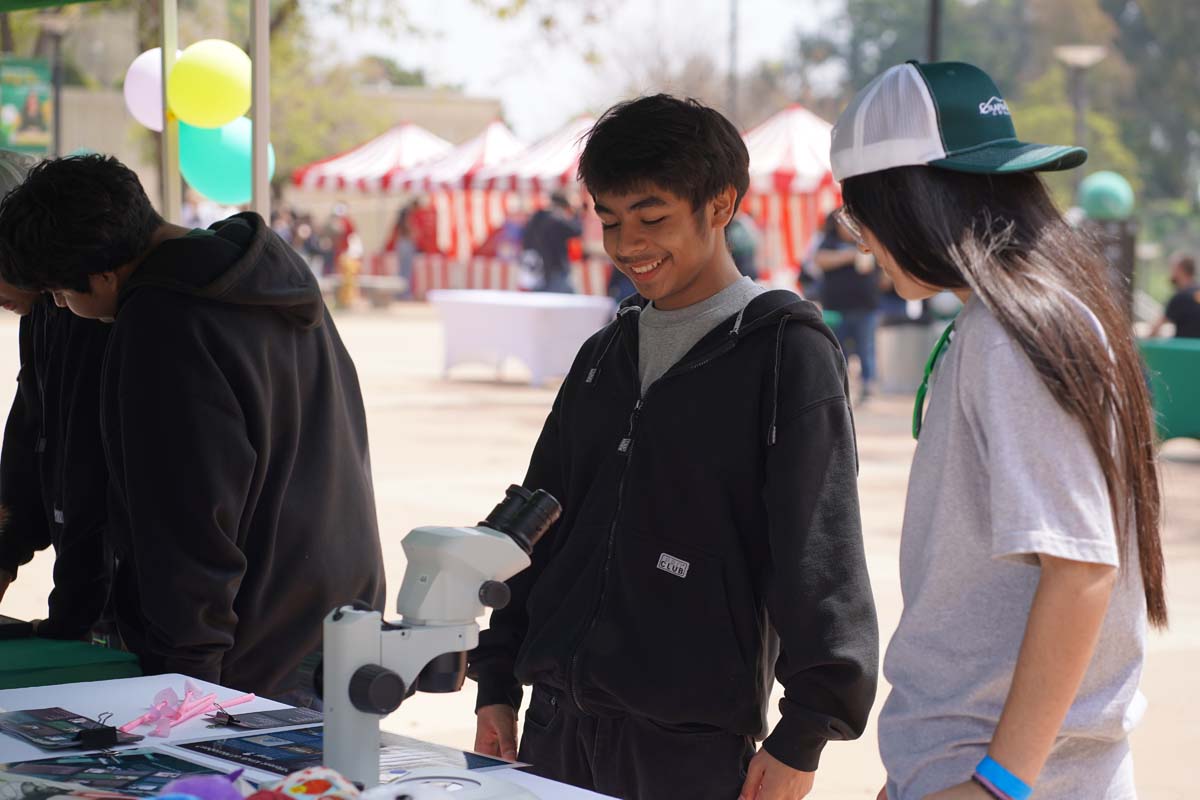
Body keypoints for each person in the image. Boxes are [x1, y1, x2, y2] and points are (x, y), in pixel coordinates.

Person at [469, 95, 878, 800]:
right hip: (555, 728)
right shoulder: (605, 353)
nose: (629, 244)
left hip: (690, 749)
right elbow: (537, 517)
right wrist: (496, 680)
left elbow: (819, 548)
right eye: (609, 219)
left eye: (652, 217)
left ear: (720, 205)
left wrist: (805, 731)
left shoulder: (787, 352)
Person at [830, 61, 1167, 799]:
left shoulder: (1006, 336)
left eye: (858, 219)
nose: (863, 245)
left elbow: (1080, 570)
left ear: (907, 201)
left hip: (998, 771)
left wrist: (997, 784)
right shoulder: (1024, 317)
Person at [0, 155, 386, 703]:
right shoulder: (262, 277)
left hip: (241, 651)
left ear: (102, 274)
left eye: (61, 297)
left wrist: (187, 672)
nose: (62, 308)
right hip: (334, 615)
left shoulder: (162, 321)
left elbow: (187, 513)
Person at [0, 150, 111, 642]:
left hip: (142, 618)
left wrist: (73, 618)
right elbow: (30, 440)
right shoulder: (42, 314)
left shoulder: (96, 313)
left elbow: (94, 477)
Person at [814, 211, 881, 402]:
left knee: (865, 349)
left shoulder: (866, 242)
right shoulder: (828, 242)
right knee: (837, 350)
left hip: (864, 306)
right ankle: (839, 388)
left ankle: (867, 387)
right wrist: (849, 256)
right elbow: (819, 260)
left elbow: (869, 268)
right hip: (835, 307)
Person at [521, 192, 582, 293]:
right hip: (556, 270)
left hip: (537, 269)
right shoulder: (557, 219)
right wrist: (576, 213)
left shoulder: (536, 217)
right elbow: (577, 230)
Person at [1149, 252, 1200, 338]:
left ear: (1180, 270)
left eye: (1172, 269)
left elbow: (1156, 328)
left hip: (1184, 349)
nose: (1171, 273)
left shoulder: (1181, 297)